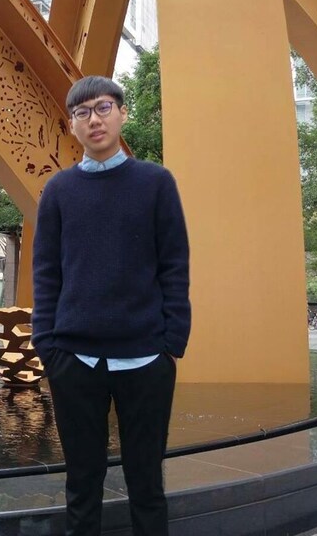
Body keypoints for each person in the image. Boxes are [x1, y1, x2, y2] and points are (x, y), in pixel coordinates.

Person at [32, 75, 191, 536]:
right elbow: (46, 273)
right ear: (72, 125)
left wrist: (172, 342)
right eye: (82, 112)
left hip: (145, 357)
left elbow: (174, 265)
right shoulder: (59, 190)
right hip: (74, 359)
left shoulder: (156, 183)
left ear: (122, 113)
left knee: (147, 483)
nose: (94, 120)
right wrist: (47, 346)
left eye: (103, 108)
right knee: (82, 484)